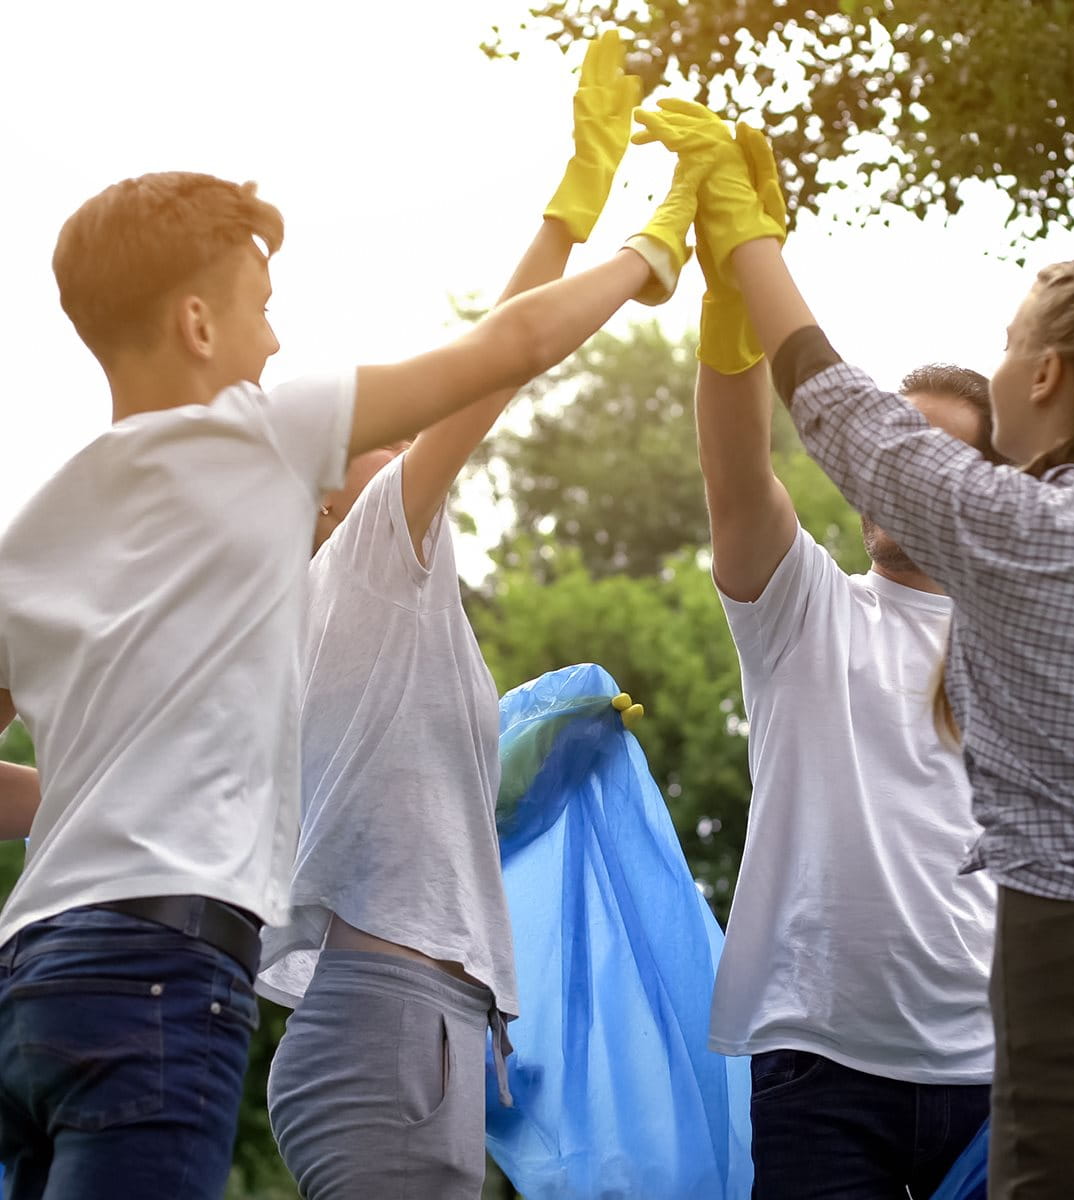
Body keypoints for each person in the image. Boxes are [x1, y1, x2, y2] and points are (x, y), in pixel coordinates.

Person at [0, 57, 697, 1196]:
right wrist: (648, 242)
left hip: (33, 973)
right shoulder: (272, 449)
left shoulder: (41, 533)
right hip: (167, 978)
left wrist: (81, 792)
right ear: (197, 322)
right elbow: (499, 358)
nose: (276, 344)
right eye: (261, 312)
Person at [638, 99, 1074, 1199]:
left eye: (1008, 347)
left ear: (1039, 391)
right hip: (857, 1057)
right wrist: (727, 318)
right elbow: (742, 471)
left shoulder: (1018, 539)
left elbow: (842, 414)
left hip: (1029, 1045)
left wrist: (752, 254)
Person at [255, 34, 656, 1200]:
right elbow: (493, 358)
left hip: (413, 1019)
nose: (403, 440)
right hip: (390, 1024)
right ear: (327, 486)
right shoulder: (369, 551)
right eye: (376, 435)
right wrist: (582, 217)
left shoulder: (344, 610)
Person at [694, 157, 998, 1190]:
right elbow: (737, 470)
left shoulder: (1020, 640)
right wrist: (731, 305)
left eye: (925, 451)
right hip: (821, 1073)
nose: (887, 467)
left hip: (1001, 1076)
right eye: (883, 444)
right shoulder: (807, 610)